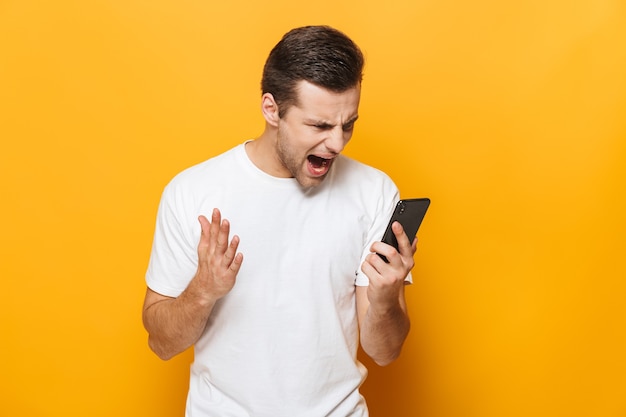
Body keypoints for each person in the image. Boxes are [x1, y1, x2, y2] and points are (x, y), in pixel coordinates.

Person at [142, 25, 417, 417]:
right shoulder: (193, 192)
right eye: (319, 126)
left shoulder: (373, 192)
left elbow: (385, 352)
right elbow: (161, 344)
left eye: (348, 124)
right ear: (271, 109)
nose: (337, 143)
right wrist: (203, 290)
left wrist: (387, 299)